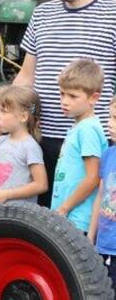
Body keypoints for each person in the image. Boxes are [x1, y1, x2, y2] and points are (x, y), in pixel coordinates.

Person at [0, 0, 116, 207]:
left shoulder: (112, 15)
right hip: (43, 140)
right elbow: (25, 78)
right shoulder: (42, 14)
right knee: (37, 219)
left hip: (90, 146)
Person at [51, 59, 107, 232]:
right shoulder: (79, 127)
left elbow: (93, 178)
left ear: (93, 98)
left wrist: (64, 208)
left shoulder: (88, 129)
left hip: (77, 219)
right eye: (62, 94)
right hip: (68, 217)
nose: (64, 101)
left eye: (73, 96)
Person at [87, 96, 116, 300]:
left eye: (115, 119)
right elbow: (100, 195)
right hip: (105, 244)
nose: (110, 124)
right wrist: (92, 234)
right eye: (109, 116)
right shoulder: (109, 154)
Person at [0, 84, 48, 205]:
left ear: (23, 117)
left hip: (20, 213)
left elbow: (41, 185)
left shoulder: (30, 147)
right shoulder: (0, 142)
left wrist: (7, 194)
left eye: (3, 111)